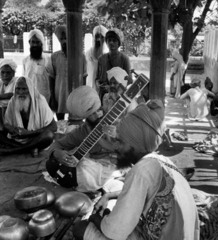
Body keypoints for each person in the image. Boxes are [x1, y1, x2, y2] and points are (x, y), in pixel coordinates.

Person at [72, 99, 200, 240]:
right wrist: (109, 195)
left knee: (80, 228)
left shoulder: (141, 171)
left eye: (121, 142)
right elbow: (144, 193)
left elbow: (114, 232)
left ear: (135, 144)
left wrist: (96, 219)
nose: (116, 148)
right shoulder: (163, 161)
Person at [46, 85, 124, 193]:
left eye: (99, 110)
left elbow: (134, 149)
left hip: (116, 167)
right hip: (94, 167)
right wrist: (57, 153)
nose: (98, 115)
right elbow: (57, 145)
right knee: (55, 164)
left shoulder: (117, 124)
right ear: (85, 117)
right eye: (92, 114)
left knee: (85, 167)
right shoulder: (82, 132)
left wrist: (117, 135)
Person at [0, 76, 57, 156]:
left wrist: (28, 133)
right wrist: (11, 129)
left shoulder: (40, 101)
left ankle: (13, 150)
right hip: (17, 139)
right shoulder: (12, 101)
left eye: (24, 89)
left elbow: (54, 127)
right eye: (18, 89)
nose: (20, 92)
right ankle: (29, 149)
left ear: (30, 90)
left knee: (48, 135)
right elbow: (7, 123)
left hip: (35, 138)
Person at [48, 25, 87, 120]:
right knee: (60, 122)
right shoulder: (54, 57)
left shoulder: (80, 57)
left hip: (75, 94)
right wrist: (52, 98)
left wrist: (82, 96)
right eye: (62, 39)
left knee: (75, 122)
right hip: (59, 95)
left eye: (66, 38)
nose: (64, 41)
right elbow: (51, 78)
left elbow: (84, 77)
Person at [96, 28, 132, 101]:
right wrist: (101, 86)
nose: (111, 43)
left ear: (118, 43)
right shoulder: (101, 59)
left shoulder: (124, 59)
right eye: (109, 40)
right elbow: (97, 79)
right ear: (106, 42)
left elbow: (129, 80)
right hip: (104, 96)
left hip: (119, 97)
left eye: (114, 40)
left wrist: (116, 88)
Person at [22, 29, 51, 103]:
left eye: (37, 42)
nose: (35, 45)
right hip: (29, 97)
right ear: (29, 43)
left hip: (44, 99)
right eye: (33, 42)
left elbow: (52, 79)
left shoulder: (47, 59)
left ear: (41, 43)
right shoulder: (25, 60)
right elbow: (23, 79)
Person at [85, 25, 108, 90]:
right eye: (97, 36)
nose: (98, 40)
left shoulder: (107, 55)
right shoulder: (88, 54)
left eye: (102, 37)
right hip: (89, 89)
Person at [0, 59, 18, 130]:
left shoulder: (17, 81)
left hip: (14, 112)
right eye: (2, 72)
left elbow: (13, 94)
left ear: (13, 73)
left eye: (8, 73)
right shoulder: (1, 82)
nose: (5, 75)